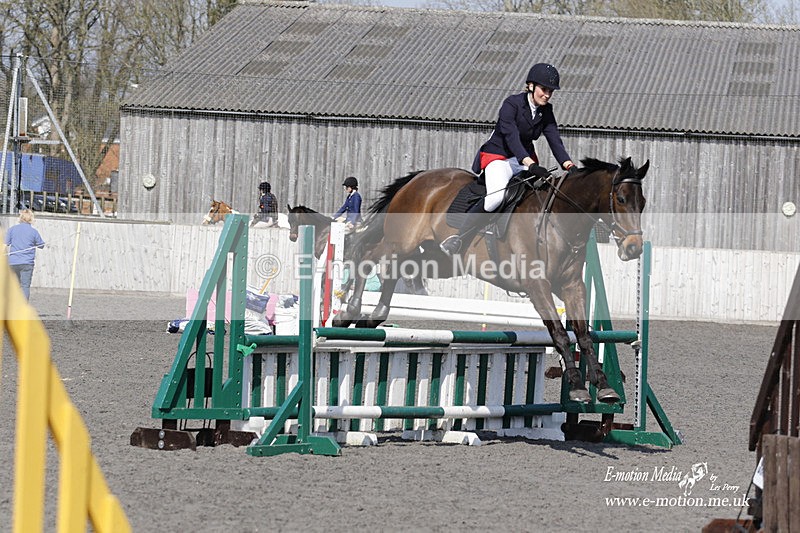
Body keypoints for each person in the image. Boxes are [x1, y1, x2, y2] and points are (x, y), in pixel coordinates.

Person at [440, 63, 576, 257]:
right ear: (531, 86)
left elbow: (554, 139)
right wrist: (530, 164)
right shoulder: (511, 104)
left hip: (522, 160)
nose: (547, 95)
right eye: (544, 89)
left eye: (550, 91)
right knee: (495, 198)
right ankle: (458, 239)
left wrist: (569, 165)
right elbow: (511, 137)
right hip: (499, 156)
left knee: (539, 193)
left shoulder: (546, 111)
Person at [5, 208, 45, 300]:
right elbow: (41, 245)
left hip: (13, 262)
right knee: (25, 286)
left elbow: (5, 244)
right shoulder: (33, 232)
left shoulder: (12, 230)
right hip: (27, 263)